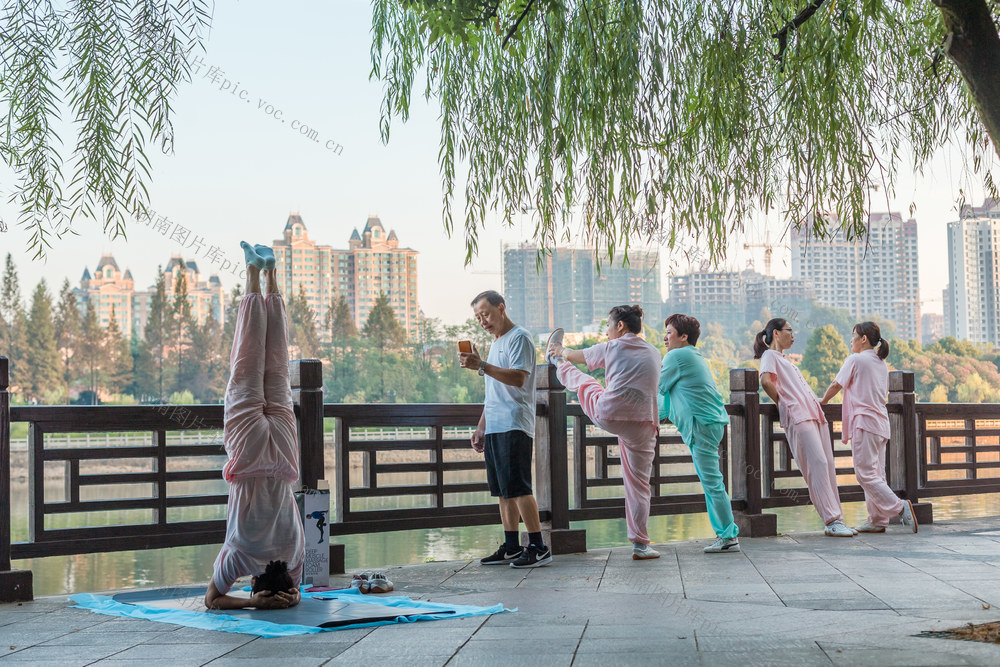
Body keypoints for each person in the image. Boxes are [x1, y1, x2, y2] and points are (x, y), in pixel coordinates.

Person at [205, 242, 305, 610]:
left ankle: (272, 273)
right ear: (253, 583)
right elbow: (212, 600)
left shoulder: (294, 556)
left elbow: (295, 590)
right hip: (248, 455)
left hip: (282, 453)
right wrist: (254, 605)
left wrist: (291, 595)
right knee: (246, 362)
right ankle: (251, 271)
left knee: (277, 364)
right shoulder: (242, 556)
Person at [546, 305, 662, 560]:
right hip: (644, 422)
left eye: (609, 326)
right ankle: (641, 544)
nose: (607, 332)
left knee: (587, 382)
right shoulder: (655, 352)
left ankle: (553, 361)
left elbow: (577, 355)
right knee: (639, 485)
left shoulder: (612, 346)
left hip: (610, 414)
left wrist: (559, 351)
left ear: (620, 325)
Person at [460, 290, 551, 568]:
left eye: (486, 314)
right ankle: (512, 545)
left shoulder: (519, 337)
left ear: (501, 308)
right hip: (496, 424)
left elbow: (519, 378)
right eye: (478, 317)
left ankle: (538, 546)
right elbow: (493, 392)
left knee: (520, 487)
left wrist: (483, 366)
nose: (482, 321)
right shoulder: (495, 343)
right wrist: (480, 427)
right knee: (503, 490)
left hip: (515, 421)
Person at [754, 318, 854, 537]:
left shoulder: (786, 360)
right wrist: (783, 403)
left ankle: (838, 519)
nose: (793, 334)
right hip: (797, 414)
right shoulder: (769, 355)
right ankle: (831, 519)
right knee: (816, 463)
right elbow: (765, 381)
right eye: (789, 330)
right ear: (776, 333)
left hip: (813, 413)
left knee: (826, 464)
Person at [821, 322, 917, 534]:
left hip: (864, 422)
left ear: (863, 338)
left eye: (853, 335)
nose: (851, 340)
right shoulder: (881, 363)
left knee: (865, 475)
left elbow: (837, 384)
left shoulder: (855, 359)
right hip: (881, 423)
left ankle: (900, 507)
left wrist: (823, 401)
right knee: (876, 475)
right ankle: (877, 519)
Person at [659, 314, 741, 553]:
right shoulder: (693, 355)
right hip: (711, 423)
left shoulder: (677, 355)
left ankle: (728, 536)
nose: (665, 337)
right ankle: (725, 534)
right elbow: (667, 395)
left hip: (701, 425)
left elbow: (659, 386)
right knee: (711, 482)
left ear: (684, 337)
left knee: (713, 483)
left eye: (669, 332)